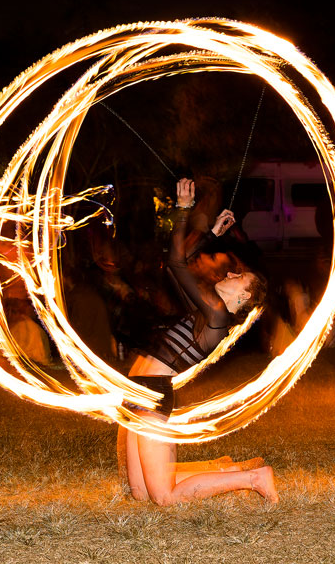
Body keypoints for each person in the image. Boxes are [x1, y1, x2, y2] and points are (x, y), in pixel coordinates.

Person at [119, 178, 278, 505]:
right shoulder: (204, 311)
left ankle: (254, 478)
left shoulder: (218, 319)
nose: (229, 274)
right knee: (139, 493)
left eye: (237, 277)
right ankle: (220, 468)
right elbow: (175, 263)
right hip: (135, 393)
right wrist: (209, 234)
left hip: (152, 397)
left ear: (244, 296)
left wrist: (184, 209)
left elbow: (178, 263)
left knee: (164, 498)